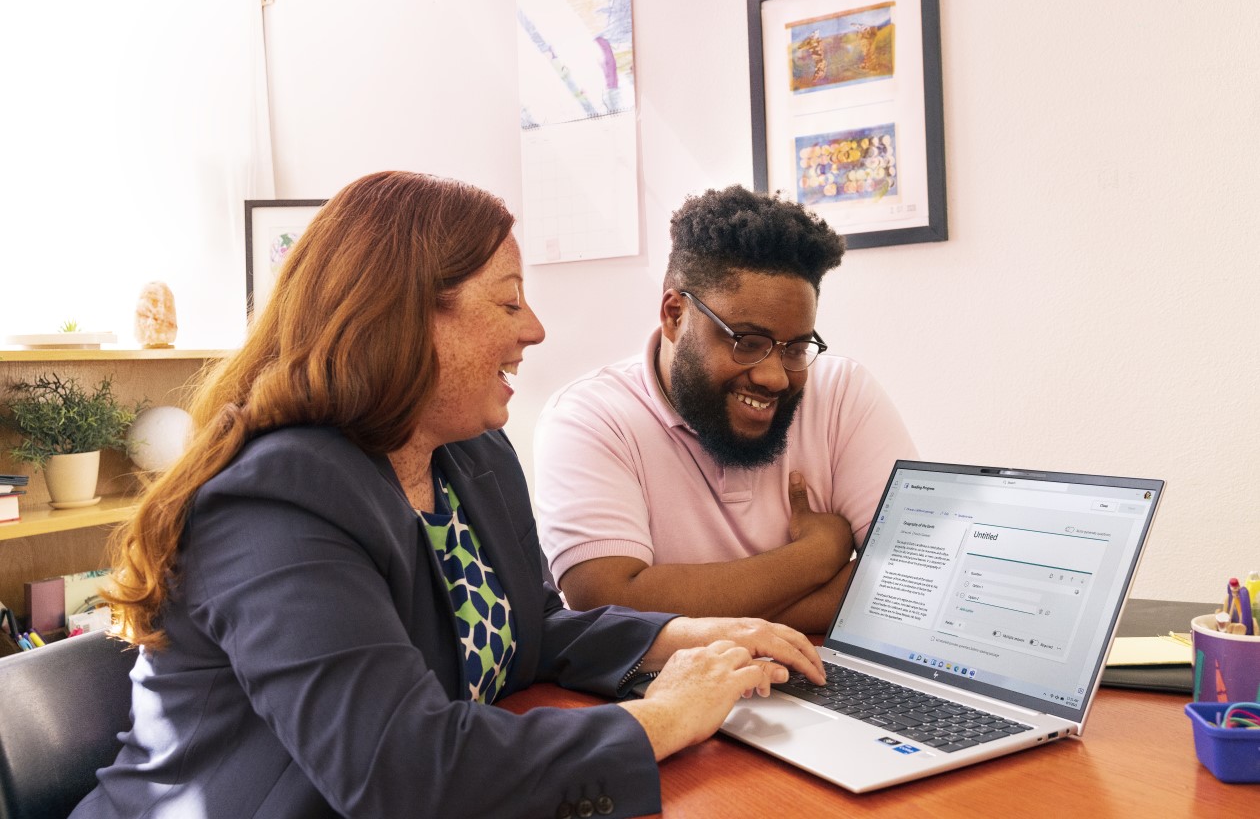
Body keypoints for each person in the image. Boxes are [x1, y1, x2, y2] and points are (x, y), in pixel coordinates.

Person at [71, 172, 824, 819]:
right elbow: (397, 766)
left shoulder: (469, 453)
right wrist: (662, 718)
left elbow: (527, 628)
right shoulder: (274, 504)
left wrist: (682, 637)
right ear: (404, 316)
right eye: (509, 303)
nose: (535, 330)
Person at [533, 185, 916, 633]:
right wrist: (817, 555)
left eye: (796, 348)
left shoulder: (841, 391)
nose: (775, 377)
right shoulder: (589, 417)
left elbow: (913, 575)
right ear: (674, 315)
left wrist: (710, 615)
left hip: (815, 670)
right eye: (747, 343)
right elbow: (609, 603)